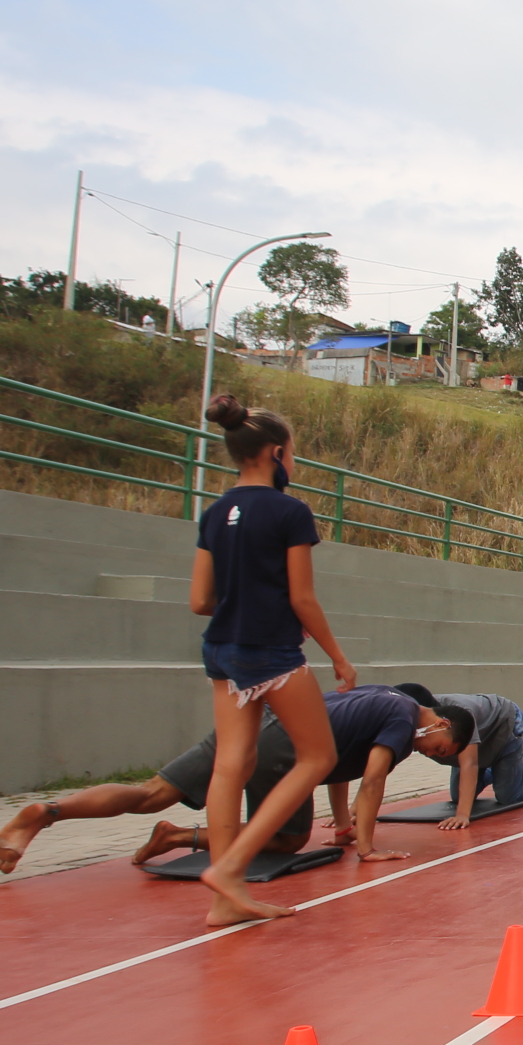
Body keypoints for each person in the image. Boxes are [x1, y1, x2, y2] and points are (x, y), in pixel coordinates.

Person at [0, 686, 458, 873]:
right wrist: (369, 847)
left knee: (153, 794)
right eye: (439, 748)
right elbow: (371, 781)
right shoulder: (403, 718)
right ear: (439, 723)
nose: (431, 755)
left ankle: (46, 813)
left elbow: (338, 761)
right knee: (289, 839)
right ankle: (178, 837)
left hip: (253, 724)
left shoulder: (379, 701)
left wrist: (344, 822)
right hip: (282, 750)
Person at [188, 397, 353, 926]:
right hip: (271, 651)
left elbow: (199, 599)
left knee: (231, 764)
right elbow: (303, 598)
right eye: (294, 454)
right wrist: (338, 658)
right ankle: (232, 867)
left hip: (222, 648)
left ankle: (222, 901)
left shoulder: (214, 514)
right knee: (317, 757)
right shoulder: (290, 512)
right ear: (277, 453)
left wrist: (240, 596)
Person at [418, 689, 523, 829]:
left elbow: (469, 764)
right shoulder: (408, 726)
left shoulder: (459, 718)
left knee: (508, 796)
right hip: (479, 745)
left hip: (502, 727)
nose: (430, 753)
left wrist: (463, 815)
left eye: (439, 749)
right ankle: (514, 759)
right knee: (459, 796)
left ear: (441, 724)